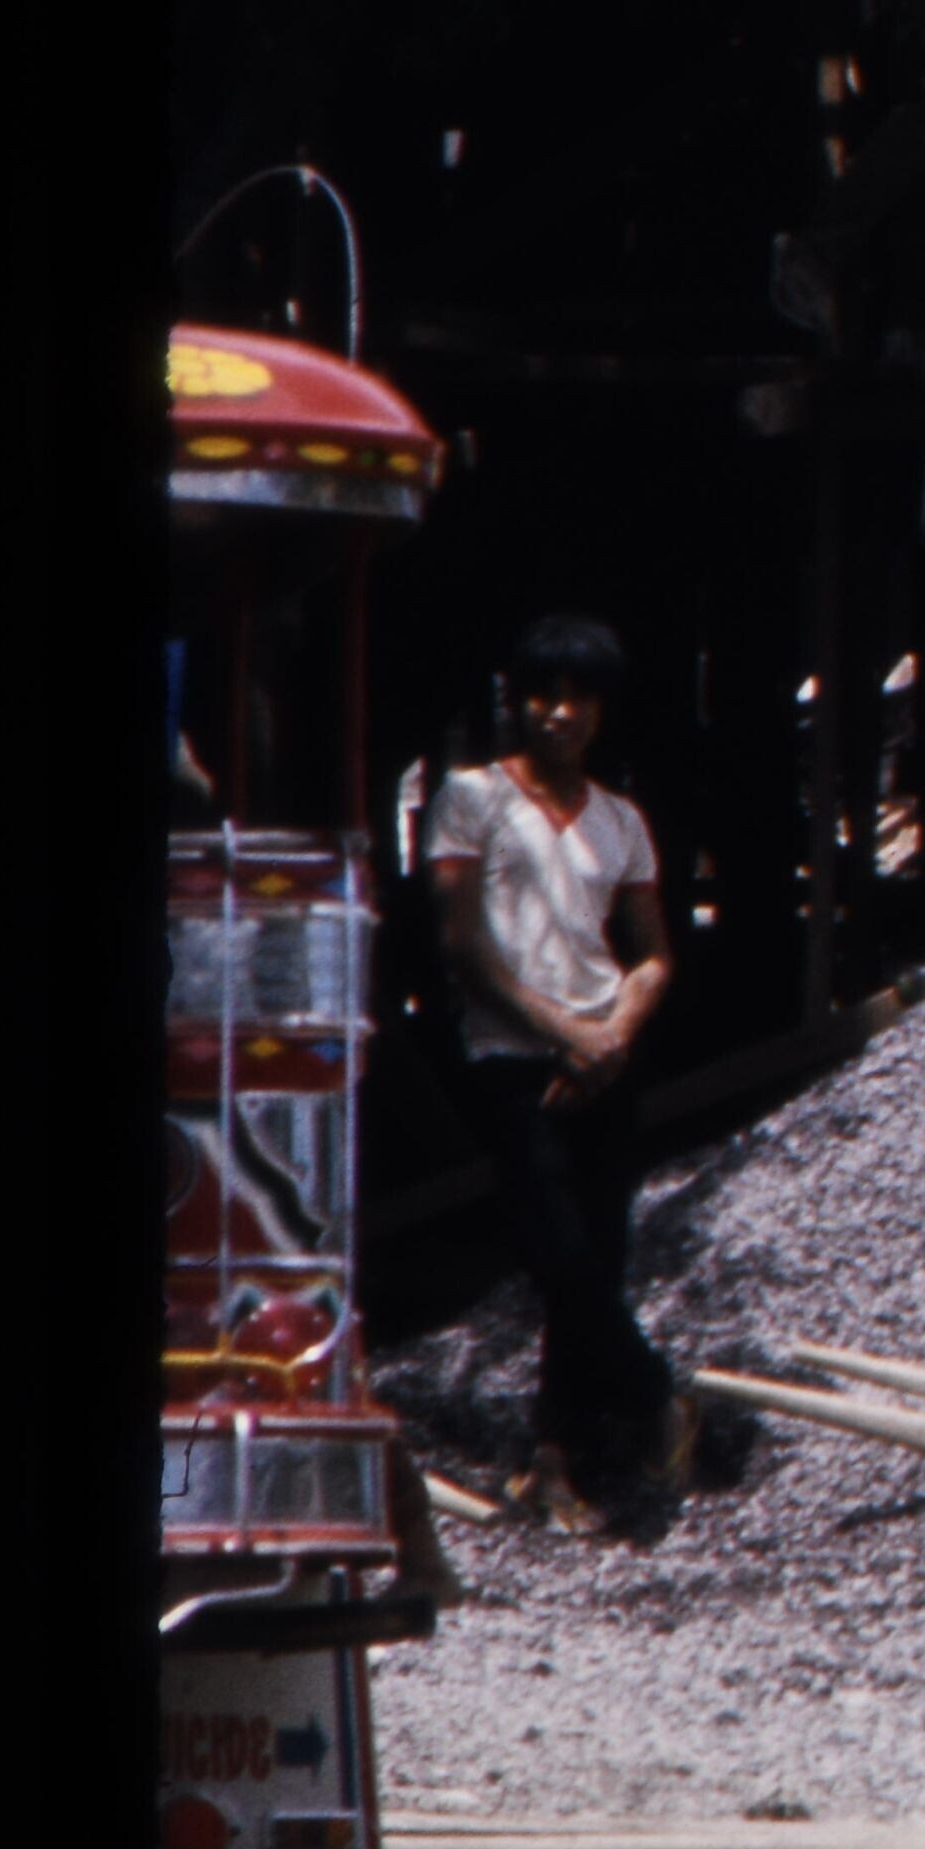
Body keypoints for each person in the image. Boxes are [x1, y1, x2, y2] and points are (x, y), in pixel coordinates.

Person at [422, 617, 677, 1526]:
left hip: (601, 1055)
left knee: (599, 1254)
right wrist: (563, 1033)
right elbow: (464, 945)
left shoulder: (621, 819)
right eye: (544, 695)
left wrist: (610, 1037)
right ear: (516, 701)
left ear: (602, 710)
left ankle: (556, 1460)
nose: (560, 713)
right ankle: (660, 1396)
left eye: (579, 698)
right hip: (512, 1054)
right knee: (558, 1251)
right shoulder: (472, 798)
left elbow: (652, 954)